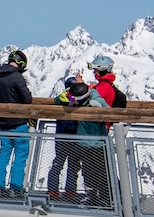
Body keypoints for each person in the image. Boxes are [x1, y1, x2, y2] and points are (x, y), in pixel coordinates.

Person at [0, 49, 33, 195]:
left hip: (3, 122)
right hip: (18, 122)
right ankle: (15, 188)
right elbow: (27, 99)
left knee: (4, 153)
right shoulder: (17, 77)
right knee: (20, 155)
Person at [72, 64, 113, 208]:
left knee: (93, 171)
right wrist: (84, 87)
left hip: (88, 143)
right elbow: (107, 109)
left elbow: (63, 99)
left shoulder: (77, 103)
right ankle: (101, 197)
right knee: (96, 171)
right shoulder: (94, 100)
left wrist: (81, 87)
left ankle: (98, 197)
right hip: (96, 142)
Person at [46, 75, 89, 200]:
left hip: (61, 134)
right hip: (75, 135)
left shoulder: (62, 97)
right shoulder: (79, 98)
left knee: (58, 163)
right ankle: (70, 191)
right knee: (74, 164)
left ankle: (53, 190)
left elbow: (55, 101)